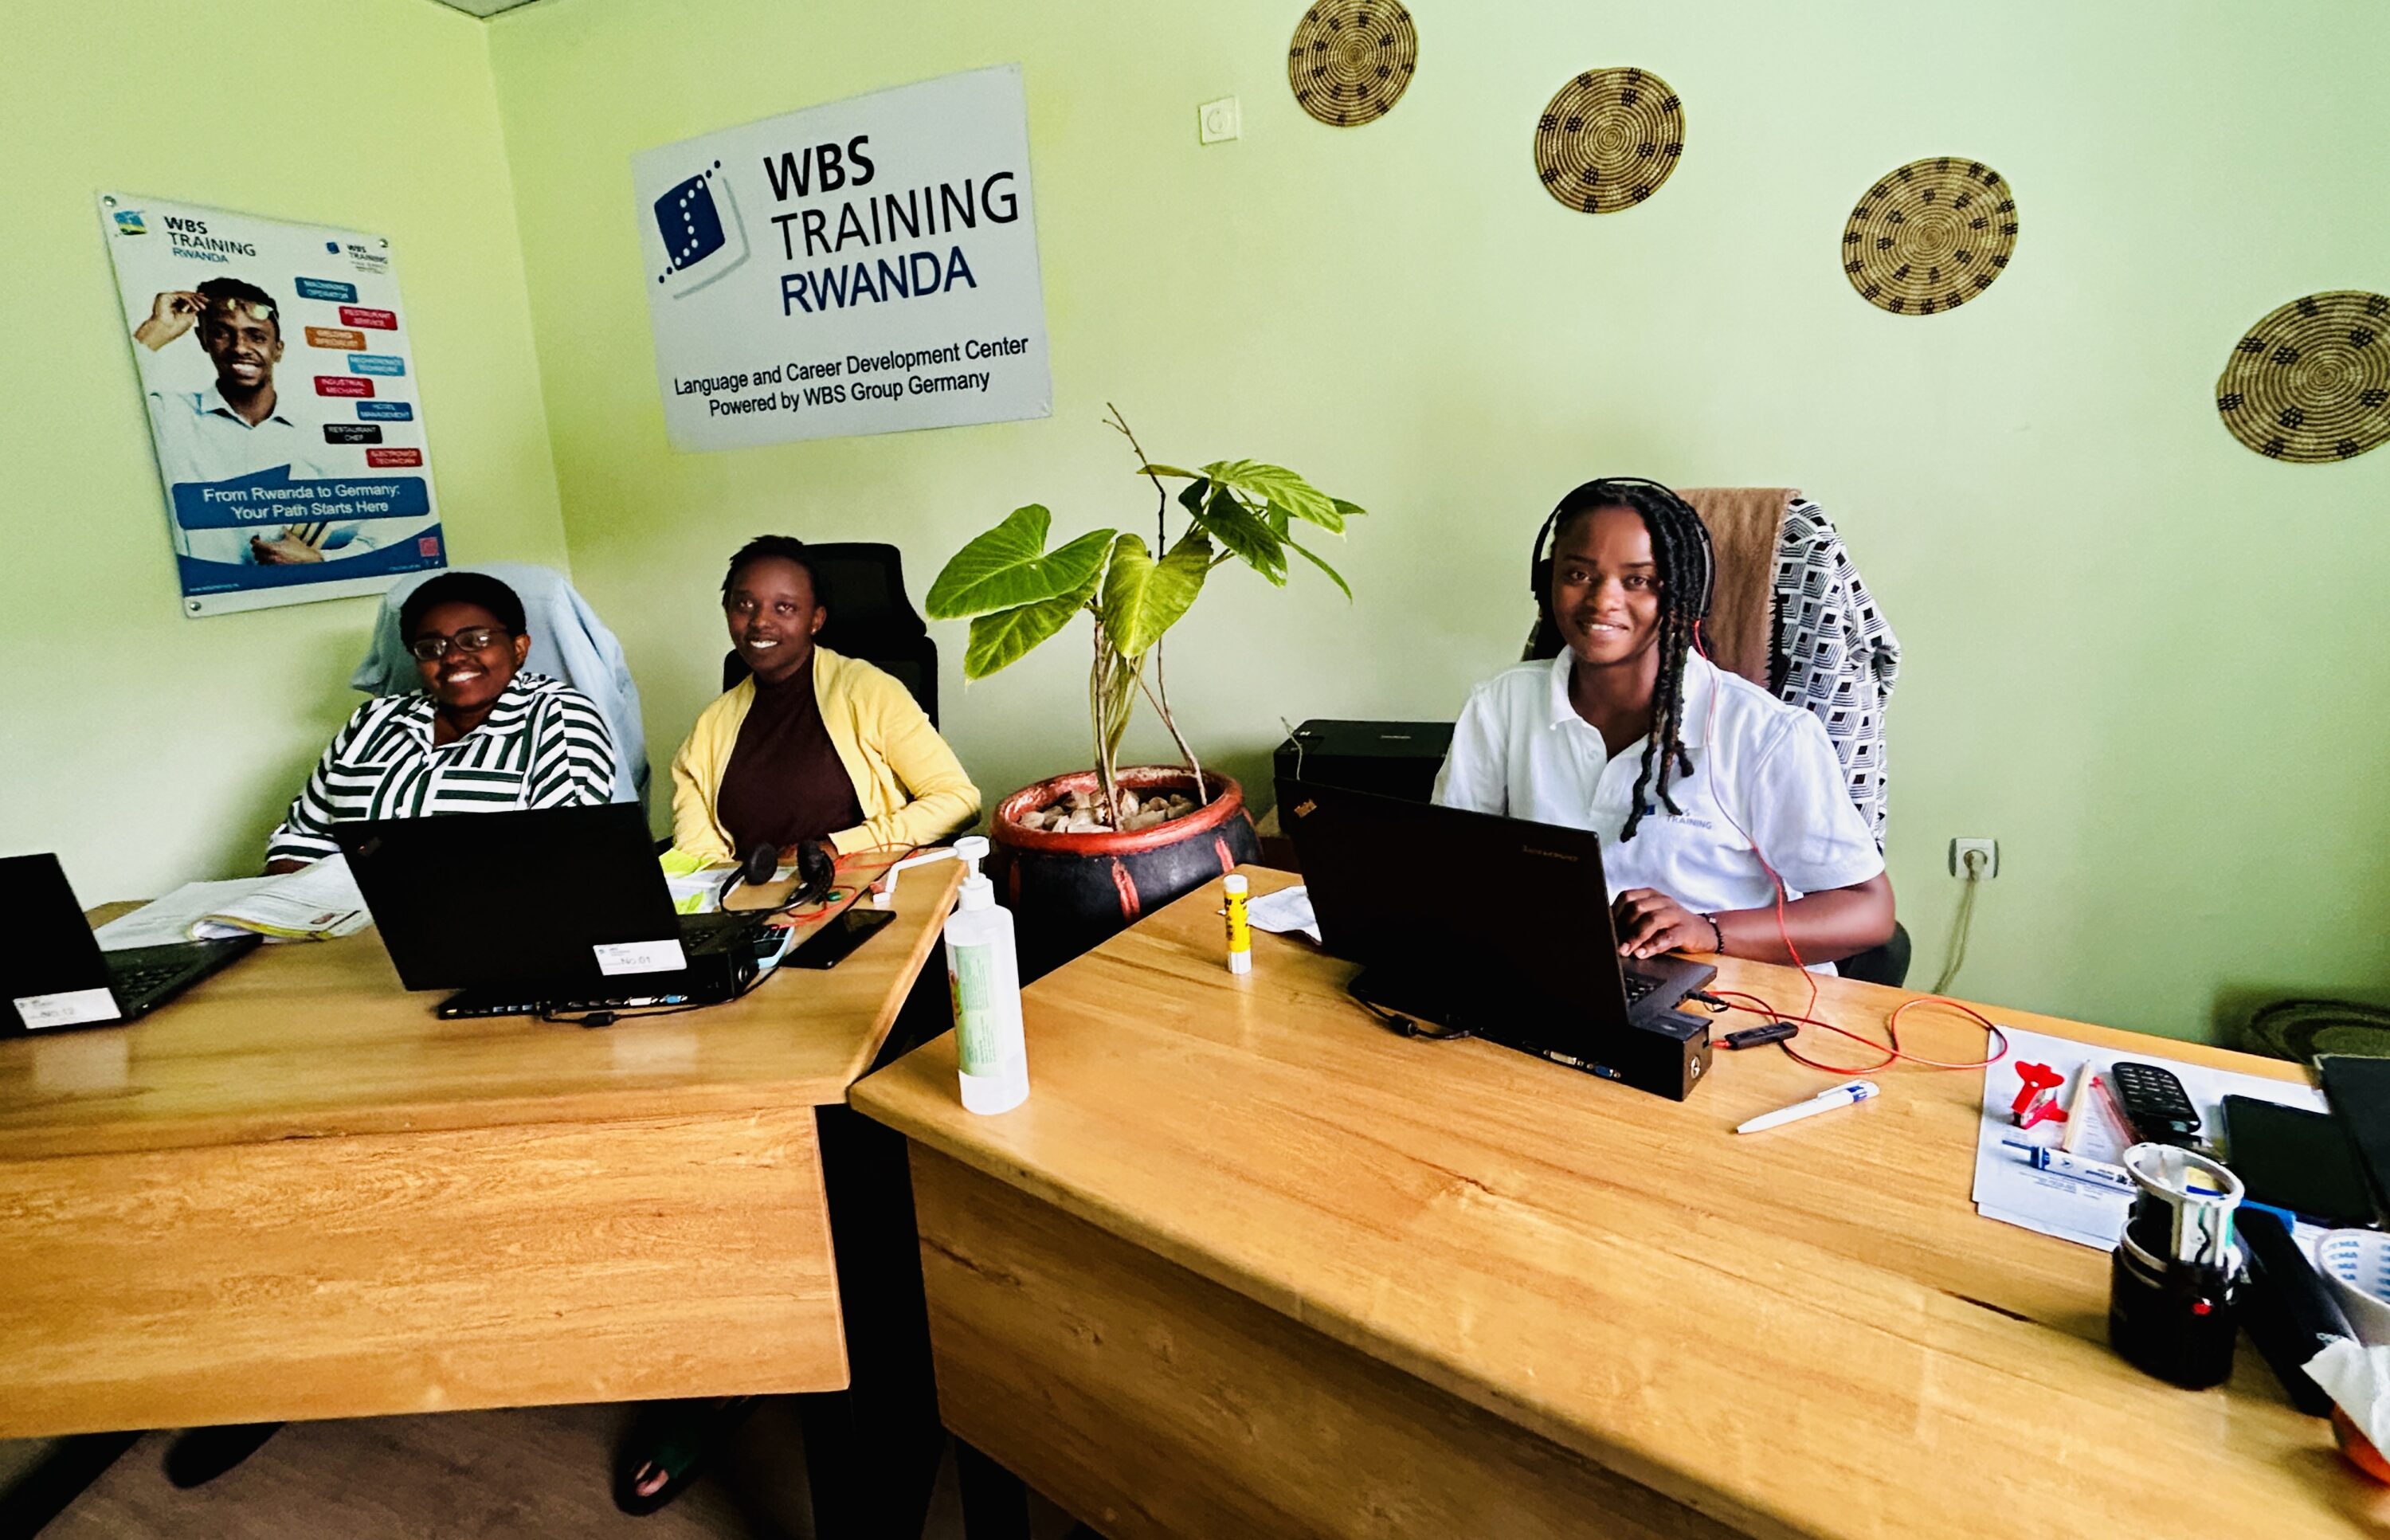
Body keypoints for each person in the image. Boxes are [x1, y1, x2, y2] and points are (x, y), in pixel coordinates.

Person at [1433, 478, 1894, 968]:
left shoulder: (1763, 734)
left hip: (1729, 993)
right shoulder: (1502, 704)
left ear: (1682, 595)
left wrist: (1707, 930)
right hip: (1560, 974)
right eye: (1578, 575)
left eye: (1638, 581)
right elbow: (1450, 864)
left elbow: (1868, 912)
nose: (1602, 601)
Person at [264, 572, 615, 871]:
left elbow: (566, 860)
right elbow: (300, 841)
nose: (453, 658)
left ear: (519, 648)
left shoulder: (559, 718)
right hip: (339, 927)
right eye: (431, 647)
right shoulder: (372, 721)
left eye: (475, 640)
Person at [668, 535, 978, 867]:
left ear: (816, 620)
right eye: (744, 605)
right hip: (752, 906)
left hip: (864, 895)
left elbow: (958, 800)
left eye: (784, 607)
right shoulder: (708, 729)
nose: (759, 621)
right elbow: (698, 857)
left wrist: (836, 847)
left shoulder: (868, 691)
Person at [131, 276, 368, 566]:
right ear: (203, 340)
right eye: (222, 333)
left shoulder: (321, 438)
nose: (240, 347)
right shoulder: (169, 416)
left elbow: (383, 532)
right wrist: (156, 330)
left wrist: (321, 559)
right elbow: (101, 405)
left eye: (257, 336)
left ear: (278, 349)